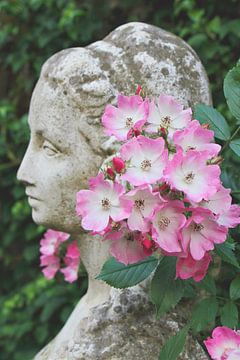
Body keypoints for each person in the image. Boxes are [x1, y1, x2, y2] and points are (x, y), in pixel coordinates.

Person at [17, 22, 210, 360]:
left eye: (50, 147)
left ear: (118, 166)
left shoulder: (136, 343)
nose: (22, 172)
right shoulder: (101, 310)